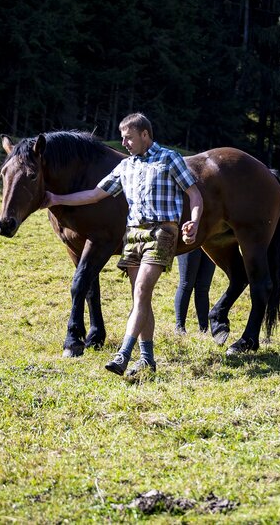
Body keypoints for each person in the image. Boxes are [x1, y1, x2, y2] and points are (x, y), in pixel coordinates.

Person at [43, 112, 202, 377]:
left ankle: (124, 354)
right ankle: (148, 359)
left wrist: (194, 221)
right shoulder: (127, 165)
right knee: (140, 297)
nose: (124, 143)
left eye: (128, 138)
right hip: (133, 235)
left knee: (141, 290)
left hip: (162, 231)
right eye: (122, 138)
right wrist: (56, 198)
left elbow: (194, 194)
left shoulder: (169, 158)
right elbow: (94, 195)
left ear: (145, 135)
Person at [174, 248, 216, 334]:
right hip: (190, 242)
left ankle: (204, 329)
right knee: (186, 284)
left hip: (210, 241)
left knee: (203, 288)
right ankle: (179, 327)